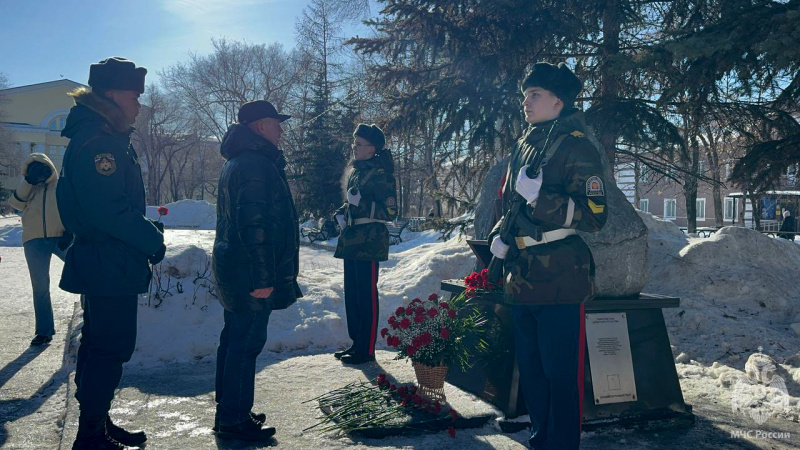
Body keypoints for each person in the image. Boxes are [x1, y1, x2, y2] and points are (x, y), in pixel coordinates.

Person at [487, 62, 608, 450]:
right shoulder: (525, 144)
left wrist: (541, 198)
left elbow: (595, 216)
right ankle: (541, 439)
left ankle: (563, 443)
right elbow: (510, 206)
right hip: (522, 276)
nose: (525, 101)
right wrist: (499, 238)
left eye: (534, 94)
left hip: (560, 277)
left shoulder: (576, 146)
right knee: (533, 372)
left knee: (560, 374)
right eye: (525, 95)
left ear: (558, 101)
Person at [57, 57, 165, 450]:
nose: (139, 104)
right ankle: (90, 436)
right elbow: (109, 210)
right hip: (108, 260)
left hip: (107, 259)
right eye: (135, 96)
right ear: (113, 95)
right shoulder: (99, 141)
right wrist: (152, 239)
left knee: (99, 345)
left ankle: (96, 422)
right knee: (109, 347)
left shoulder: (100, 135)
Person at [212, 100, 302, 441]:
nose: (281, 130)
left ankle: (229, 410)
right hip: (250, 274)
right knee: (245, 344)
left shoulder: (240, 161)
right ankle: (234, 420)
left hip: (236, 269)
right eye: (276, 123)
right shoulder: (255, 165)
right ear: (260, 126)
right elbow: (255, 226)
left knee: (233, 341)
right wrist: (263, 279)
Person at [333, 124, 398, 364]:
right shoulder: (357, 172)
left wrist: (360, 204)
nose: (355, 147)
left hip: (369, 242)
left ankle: (366, 349)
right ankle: (356, 343)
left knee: (366, 296)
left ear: (372, 149)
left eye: (359, 144)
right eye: (355, 143)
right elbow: (353, 202)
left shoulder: (381, 175)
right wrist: (343, 213)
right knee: (352, 295)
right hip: (352, 240)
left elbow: (390, 211)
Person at [9, 153, 70, 346]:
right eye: (34, 170)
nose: (40, 174)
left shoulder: (61, 186)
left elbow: (72, 209)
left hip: (61, 237)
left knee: (84, 272)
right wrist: (29, 181)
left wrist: (70, 231)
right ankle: (44, 331)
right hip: (34, 241)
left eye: (43, 169)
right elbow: (15, 203)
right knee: (40, 287)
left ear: (50, 168)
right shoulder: (28, 188)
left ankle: (90, 319)